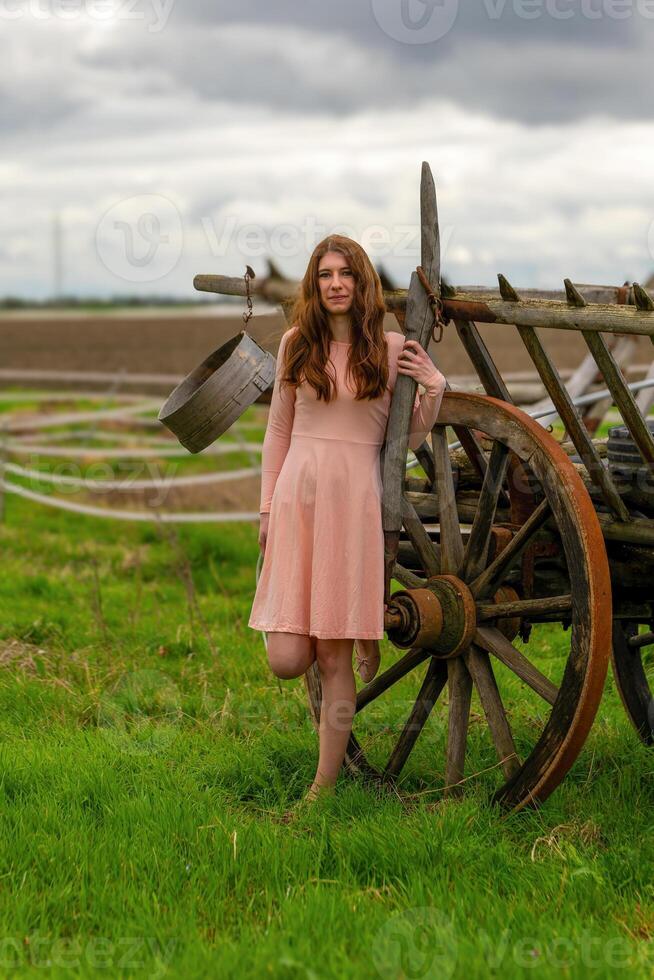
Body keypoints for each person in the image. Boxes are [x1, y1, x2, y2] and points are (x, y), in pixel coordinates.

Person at [248, 234, 446, 808]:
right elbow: (277, 432)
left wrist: (433, 387)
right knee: (287, 658)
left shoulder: (386, 350)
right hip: (297, 501)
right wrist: (266, 506)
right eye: (325, 274)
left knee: (331, 658)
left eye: (346, 274)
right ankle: (355, 627)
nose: (336, 283)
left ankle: (322, 787)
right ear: (315, 284)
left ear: (362, 284)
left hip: (352, 502)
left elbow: (404, 436)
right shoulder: (295, 345)